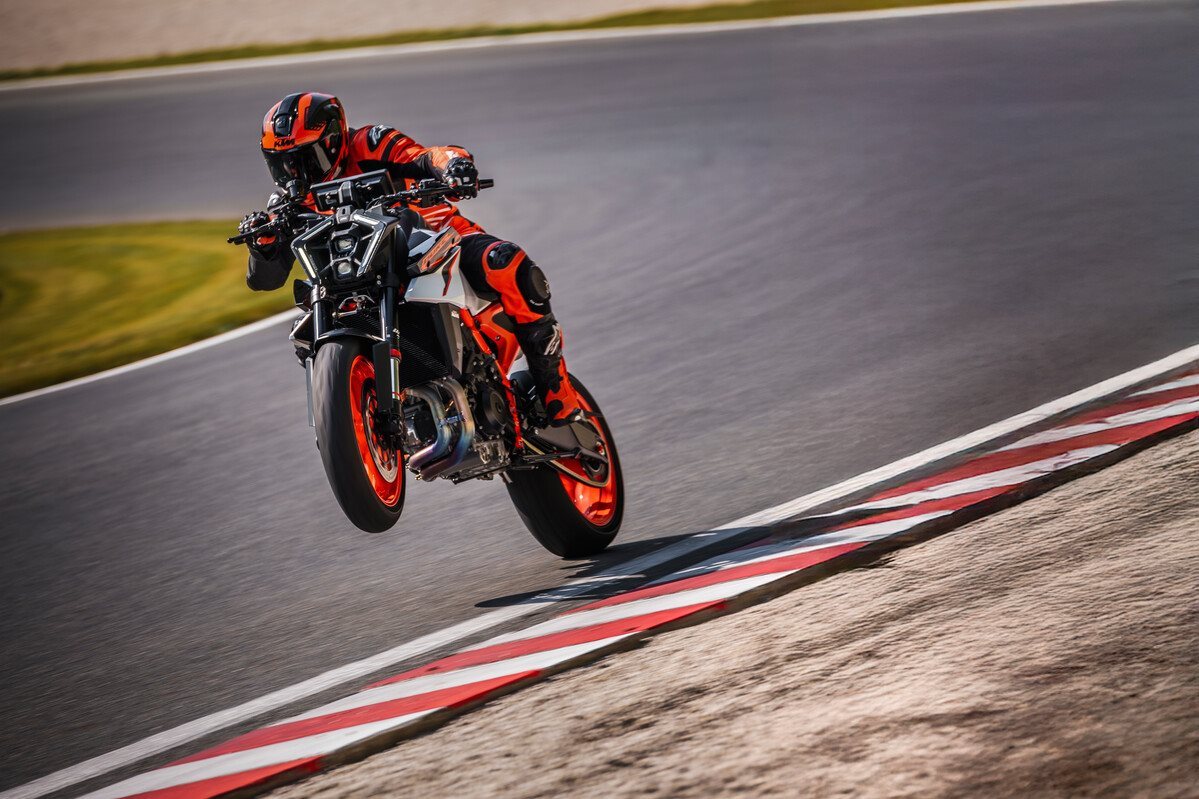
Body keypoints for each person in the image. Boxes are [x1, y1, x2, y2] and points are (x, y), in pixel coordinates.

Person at [238, 91, 582, 425]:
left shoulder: (370, 143)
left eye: (305, 159)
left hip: (434, 238)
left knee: (507, 264)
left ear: (333, 142)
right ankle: (362, 411)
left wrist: (455, 165)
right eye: (283, 164)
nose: (296, 174)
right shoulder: (286, 204)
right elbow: (265, 280)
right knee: (306, 330)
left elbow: (427, 157)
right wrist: (262, 245)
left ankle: (555, 388)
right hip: (353, 277)